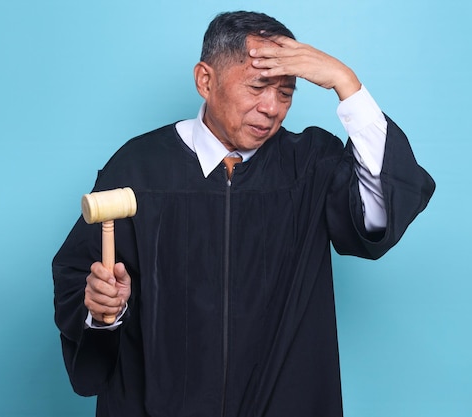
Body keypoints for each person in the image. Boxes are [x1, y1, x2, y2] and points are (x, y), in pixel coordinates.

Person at [53, 11, 434, 417]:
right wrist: (104, 310)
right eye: (258, 86)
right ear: (206, 80)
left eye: (286, 93)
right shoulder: (139, 168)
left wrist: (348, 85)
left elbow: (379, 215)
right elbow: (80, 280)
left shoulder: (310, 164)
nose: (271, 108)